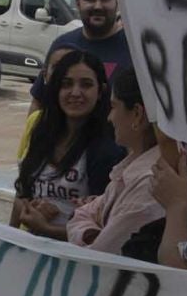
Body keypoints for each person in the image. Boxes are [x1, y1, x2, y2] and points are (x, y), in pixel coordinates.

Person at [11, 47, 122, 239]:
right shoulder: (40, 131)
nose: (75, 93)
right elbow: (21, 196)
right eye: (66, 84)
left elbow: (106, 234)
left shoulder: (108, 150)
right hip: (29, 249)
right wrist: (29, 208)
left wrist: (47, 228)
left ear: (101, 91)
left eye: (86, 85)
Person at [66, 66, 164, 255]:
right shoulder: (131, 169)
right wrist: (93, 230)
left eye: (113, 107)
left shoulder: (149, 183)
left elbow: (99, 253)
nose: (110, 118)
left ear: (137, 114)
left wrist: (90, 232)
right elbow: (82, 213)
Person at [46, 0, 132, 83]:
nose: (98, 6)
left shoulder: (135, 50)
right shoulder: (61, 46)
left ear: (117, 3)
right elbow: (40, 100)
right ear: (78, 4)